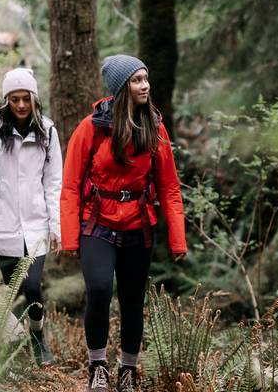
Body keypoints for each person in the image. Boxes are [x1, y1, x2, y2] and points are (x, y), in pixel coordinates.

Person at [60, 54, 187, 392]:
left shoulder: (155, 127)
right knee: (99, 289)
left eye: (145, 79)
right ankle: (97, 366)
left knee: (132, 300)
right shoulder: (91, 128)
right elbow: (70, 185)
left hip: (137, 226)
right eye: (137, 80)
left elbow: (169, 187)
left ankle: (127, 370)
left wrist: (178, 239)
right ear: (121, 87)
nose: (145, 86)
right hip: (97, 223)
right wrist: (70, 238)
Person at [0, 67, 62, 366]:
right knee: (14, 291)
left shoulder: (48, 131)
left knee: (33, 287)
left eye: (26, 98)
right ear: (6, 99)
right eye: (14, 99)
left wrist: (56, 227)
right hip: (3, 225)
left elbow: (54, 184)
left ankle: (38, 336)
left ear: (34, 98)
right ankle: (17, 347)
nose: (21, 105)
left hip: (36, 225)